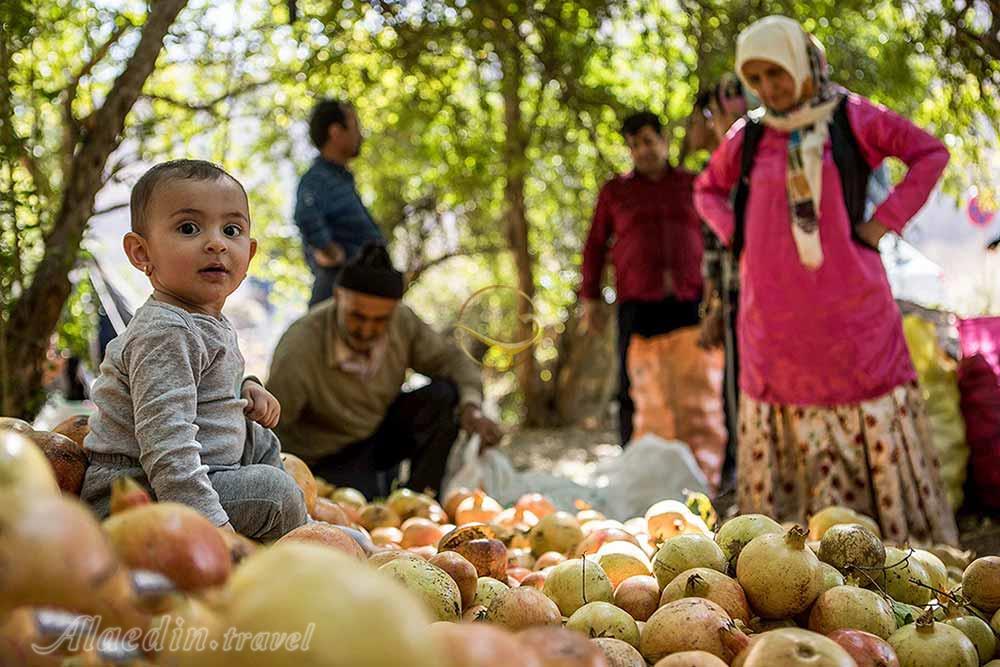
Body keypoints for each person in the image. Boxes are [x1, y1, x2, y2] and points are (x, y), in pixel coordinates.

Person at [694, 15, 958, 544]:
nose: (769, 88)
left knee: (864, 408)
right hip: (773, 325)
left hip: (853, 318)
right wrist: (739, 236)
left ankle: (884, 559)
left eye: (778, 73)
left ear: (801, 63)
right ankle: (788, 563)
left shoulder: (853, 118)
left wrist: (884, 221)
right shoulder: (747, 137)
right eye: (758, 77)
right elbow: (707, 191)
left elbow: (931, 153)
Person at [80, 160, 307, 540]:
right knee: (275, 495)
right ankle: (297, 540)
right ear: (141, 253)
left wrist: (245, 387)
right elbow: (167, 448)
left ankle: (300, 533)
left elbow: (207, 386)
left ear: (248, 255)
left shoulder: (205, 322)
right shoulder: (165, 332)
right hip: (141, 495)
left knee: (261, 438)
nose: (216, 242)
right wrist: (216, 531)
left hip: (205, 475)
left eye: (231, 230)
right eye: (189, 228)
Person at [267, 242, 503, 499]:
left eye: (380, 320)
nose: (367, 331)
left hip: (379, 434)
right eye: (357, 316)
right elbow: (271, 428)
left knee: (444, 396)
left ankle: (421, 500)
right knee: (361, 507)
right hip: (326, 455)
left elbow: (453, 362)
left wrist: (472, 407)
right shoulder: (300, 345)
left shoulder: (403, 322)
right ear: (337, 297)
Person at [580, 111, 705, 446]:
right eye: (634, 145)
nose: (643, 151)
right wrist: (590, 298)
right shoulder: (615, 191)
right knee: (633, 385)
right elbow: (594, 244)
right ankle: (633, 457)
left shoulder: (692, 185)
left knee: (691, 382)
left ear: (663, 142)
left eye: (648, 141)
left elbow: (717, 235)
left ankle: (695, 458)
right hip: (637, 303)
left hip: (687, 301)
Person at [295, 99, 384, 307]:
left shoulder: (340, 179)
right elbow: (305, 215)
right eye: (355, 126)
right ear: (336, 131)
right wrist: (330, 251)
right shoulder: (318, 179)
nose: (361, 135)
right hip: (338, 293)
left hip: (361, 293)